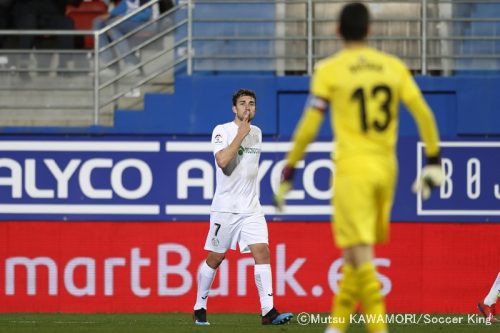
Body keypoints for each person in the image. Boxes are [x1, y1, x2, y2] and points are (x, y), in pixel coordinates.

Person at [273, 3, 444, 333]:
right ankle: (337, 327)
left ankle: (378, 328)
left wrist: (290, 169)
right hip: (386, 170)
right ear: (369, 30)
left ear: (337, 30)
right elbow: (424, 114)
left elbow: (309, 126)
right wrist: (434, 160)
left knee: (360, 252)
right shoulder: (392, 67)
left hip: (353, 171)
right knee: (356, 253)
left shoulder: (330, 70)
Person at [192, 89, 293, 326]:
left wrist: (246, 133)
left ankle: (268, 311)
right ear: (234, 108)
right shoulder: (222, 130)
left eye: (252, 104)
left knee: (263, 252)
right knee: (216, 258)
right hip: (225, 209)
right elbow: (223, 162)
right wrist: (239, 135)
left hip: (251, 208)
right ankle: (200, 305)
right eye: (242, 103)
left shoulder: (257, 133)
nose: (247, 107)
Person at [10, 0, 81, 76]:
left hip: (52, 16)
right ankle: (23, 65)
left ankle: (63, 66)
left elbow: (75, 2)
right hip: (27, 15)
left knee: (67, 23)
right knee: (29, 21)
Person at [92, 0, 152, 75]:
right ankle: (109, 63)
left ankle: (130, 63)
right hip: (126, 22)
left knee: (112, 26)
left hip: (144, 24)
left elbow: (146, 16)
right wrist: (109, 15)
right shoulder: (126, 1)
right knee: (98, 22)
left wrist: (124, 17)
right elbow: (118, 10)